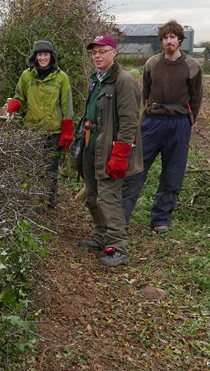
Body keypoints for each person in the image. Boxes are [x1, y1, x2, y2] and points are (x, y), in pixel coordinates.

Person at [122, 20, 203, 233]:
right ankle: (121, 217)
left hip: (179, 123)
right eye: (165, 37)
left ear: (180, 40)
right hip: (152, 122)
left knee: (172, 173)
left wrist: (189, 118)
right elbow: (145, 92)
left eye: (173, 37)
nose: (169, 41)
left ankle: (161, 219)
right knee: (136, 169)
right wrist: (147, 113)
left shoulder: (192, 66)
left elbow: (196, 96)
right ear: (161, 41)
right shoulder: (152, 63)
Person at [74, 35, 142, 267]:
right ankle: (101, 237)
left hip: (110, 150)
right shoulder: (96, 80)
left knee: (108, 198)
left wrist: (120, 155)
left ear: (114, 53)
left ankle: (118, 247)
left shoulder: (124, 81)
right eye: (94, 53)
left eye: (102, 51)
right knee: (93, 196)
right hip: (91, 146)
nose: (97, 56)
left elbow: (130, 121)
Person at [6, 40, 74, 208]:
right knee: (32, 168)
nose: (43, 58)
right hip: (33, 131)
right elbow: (19, 97)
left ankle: (49, 203)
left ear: (52, 56)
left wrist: (67, 131)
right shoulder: (26, 76)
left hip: (53, 131)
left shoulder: (61, 77)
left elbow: (67, 105)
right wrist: (10, 108)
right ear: (34, 56)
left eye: (46, 54)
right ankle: (32, 201)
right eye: (39, 54)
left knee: (51, 170)